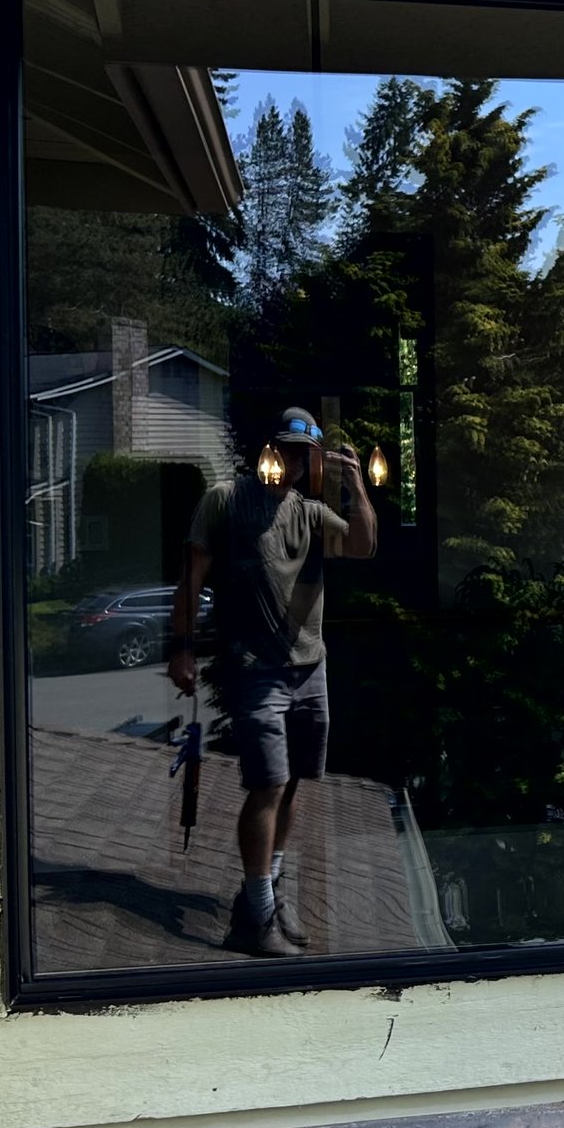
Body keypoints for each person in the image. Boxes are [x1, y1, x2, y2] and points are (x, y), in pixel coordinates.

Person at [168, 407, 377, 955]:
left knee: (295, 784)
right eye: (285, 448)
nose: (291, 460)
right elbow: (190, 578)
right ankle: (256, 919)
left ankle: (263, 898)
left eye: (304, 453)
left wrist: (355, 485)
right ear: (269, 449)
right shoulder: (226, 501)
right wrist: (182, 649)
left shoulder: (310, 512)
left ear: (312, 460)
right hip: (253, 669)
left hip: (311, 668)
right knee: (268, 784)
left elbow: (362, 546)